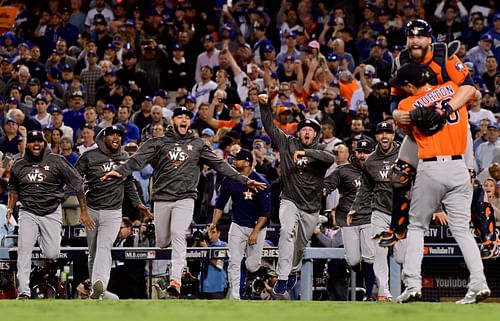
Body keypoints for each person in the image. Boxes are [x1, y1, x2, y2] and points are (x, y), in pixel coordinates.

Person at [100, 107, 266, 298]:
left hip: (185, 198)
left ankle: (175, 280)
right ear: (173, 120)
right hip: (162, 198)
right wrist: (120, 171)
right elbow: (137, 160)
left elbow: (220, 165)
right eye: (179, 116)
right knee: (162, 241)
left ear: (189, 122)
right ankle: (171, 254)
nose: (183, 120)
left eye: (187, 117)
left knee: (179, 233)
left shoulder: (198, 144)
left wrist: (245, 179)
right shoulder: (158, 142)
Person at [392, 63, 490, 304]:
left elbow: (403, 125)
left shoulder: (407, 103)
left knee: (416, 227)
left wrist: (399, 114)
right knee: (462, 230)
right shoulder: (454, 88)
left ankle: (413, 284)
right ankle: (479, 282)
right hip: (459, 167)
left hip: (431, 165)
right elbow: (474, 93)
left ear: (408, 85)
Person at [384, 19, 477, 247]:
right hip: (423, 127)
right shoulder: (401, 62)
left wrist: (445, 109)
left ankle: (487, 235)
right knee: (400, 174)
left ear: (429, 38)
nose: (415, 40)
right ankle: (398, 228)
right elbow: (395, 100)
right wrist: (396, 115)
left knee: (469, 178)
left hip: (452, 125)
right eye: (411, 36)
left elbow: (470, 87)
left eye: (420, 36)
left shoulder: (444, 56)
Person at [258, 94, 336, 297]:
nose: (307, 132)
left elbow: (330, 158)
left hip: (311, 207)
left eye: (311, 130)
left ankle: (292, 270)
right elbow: (270, 127)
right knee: (286, 232)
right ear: (299, 132)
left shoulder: (320, 150)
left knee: (300, 246)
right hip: (289, 199)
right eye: (304, 129)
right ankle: (283, 277)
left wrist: (306, 153)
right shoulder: (287, 143)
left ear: (316, 134)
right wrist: (264, 106)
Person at [6, 130, 93, 299]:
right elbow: (13, 188)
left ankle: (38, 235)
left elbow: (77, 182)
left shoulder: (56, 160)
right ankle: (23, 292)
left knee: (52, 252)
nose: (36, 144)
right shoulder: (18, 164)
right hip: (28, 211)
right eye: (32, 141)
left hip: (51, 211)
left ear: (44, 143)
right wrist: (10, 208)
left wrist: (83, 210)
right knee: (24, 251)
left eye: (39, 141)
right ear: (27, 144)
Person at [74, 125, 152, 299]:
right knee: (93, 251)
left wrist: (138, 204)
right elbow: (75, 181)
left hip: (113, 211)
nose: (116, 138)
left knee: (104, 246)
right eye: (112, 135)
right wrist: (83, 210)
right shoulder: (89, 156)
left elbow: (128, 183)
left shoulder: (125, 157)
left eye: (119, 135)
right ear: (103, 137)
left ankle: (99, 283)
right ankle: (96, 291)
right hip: (92, 209)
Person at [348, 121, 403, 301]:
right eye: (381, 133)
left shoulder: (405, 153)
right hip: (379, 211)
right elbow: (365, 187)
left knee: (402, 256)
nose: (385, 136)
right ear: (376, 137)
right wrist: (355, 207)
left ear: (394, 135)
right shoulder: (371, 160)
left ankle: (410, 286)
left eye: (388, 133)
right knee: (379, 252)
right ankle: (383, 292)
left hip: (402, 211)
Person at [210, 148, 271, 300]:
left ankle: (261, 272)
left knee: (251, 265)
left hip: (257, 226)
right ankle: (235, 295)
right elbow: (220, 203)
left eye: (237, 159)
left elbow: (266, 213)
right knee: (234, 261)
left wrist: (255, 232)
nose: (233, 161)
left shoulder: (262, 182)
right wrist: (214, 223)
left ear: (246, 163)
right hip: (237, 224)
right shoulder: (230, 179)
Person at [324, 139, 377, 301]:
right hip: (347, 220)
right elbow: (327, 185)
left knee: (370, 257)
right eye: (360, 152)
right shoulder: (344, 170)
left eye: (366, 152)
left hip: (369, 218)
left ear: (372, 153)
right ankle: (357, 266)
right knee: (353, 260)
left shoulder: (377, 169)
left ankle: (368, 295)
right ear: (355, 153)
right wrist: (322, 190)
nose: (362, 155)